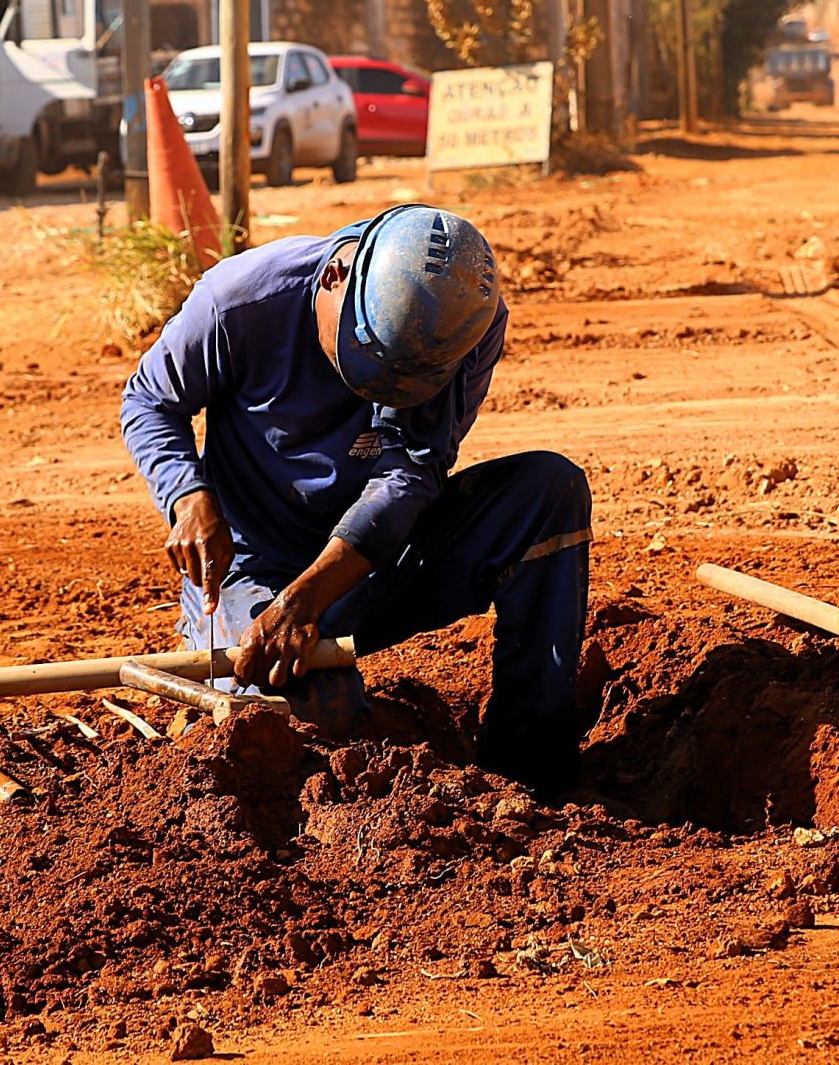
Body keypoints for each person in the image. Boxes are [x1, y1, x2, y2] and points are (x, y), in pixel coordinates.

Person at [120, 204, 593, 796]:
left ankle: (531, 771)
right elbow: (149, 402)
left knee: (547, 493)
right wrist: (187, 494)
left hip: (379, 559)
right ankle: (243, 654)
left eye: (407, 381)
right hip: (253, 565)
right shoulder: (240, 301)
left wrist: (309, 599)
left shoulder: (465, 325)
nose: (383, 393)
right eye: (369, 362)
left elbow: (410, 473)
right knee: (306, 715)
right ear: (334, 279)